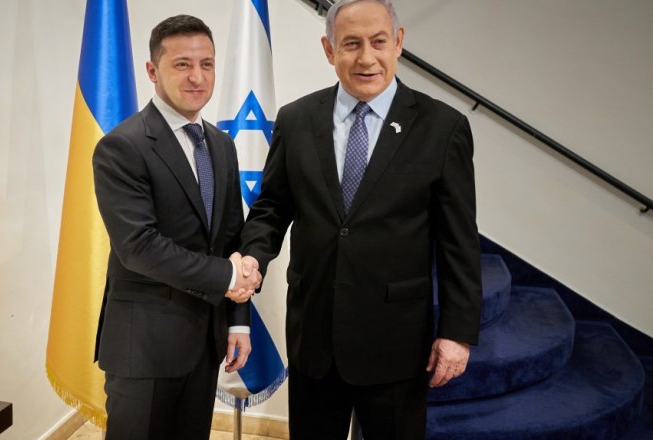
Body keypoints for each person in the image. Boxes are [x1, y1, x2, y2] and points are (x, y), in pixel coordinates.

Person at [237, 1, 483, 438]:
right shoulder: (296, 120)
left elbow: (458, 241)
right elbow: (272, 206)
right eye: (351, 44)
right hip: (315, 336)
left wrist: (457, 332)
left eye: (378, 42)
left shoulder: (443, 128)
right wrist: (254, 256)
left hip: (396, 343)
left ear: (399, 43)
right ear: (329, 49)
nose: (367, 58)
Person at [92, 15, 262, 440]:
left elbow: (231, 240)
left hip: (204, 344)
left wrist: (238, 321)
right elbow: (139, 246)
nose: (197, 77)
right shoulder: (122, 146)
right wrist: (229, 278)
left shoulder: (220, 144)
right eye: (182, 64)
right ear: (153, 71)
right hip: (144, 348)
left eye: (207, 64)